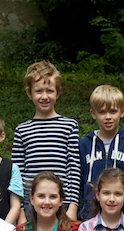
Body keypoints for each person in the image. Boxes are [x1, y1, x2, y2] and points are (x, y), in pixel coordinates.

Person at [12, 61, 81, 222]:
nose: (44, 96)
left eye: (49, 91)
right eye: (38, 91)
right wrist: (20, 211)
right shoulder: (22, 130)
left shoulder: (69, 126)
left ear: (58, 92)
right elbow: (17, 173)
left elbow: (73, 168)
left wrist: (73, 206)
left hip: (61, 200)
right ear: (29, 93)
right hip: (31, 203)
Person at [79, 85, 124, 223]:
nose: (108, 117)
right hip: (89, 218)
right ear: (93, 113)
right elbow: (79, 183)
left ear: (122, 112)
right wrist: (78, 214)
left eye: (113, 111)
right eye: (102, 112)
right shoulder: (84, 145)